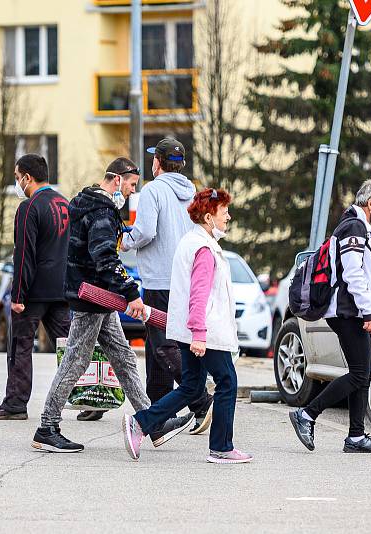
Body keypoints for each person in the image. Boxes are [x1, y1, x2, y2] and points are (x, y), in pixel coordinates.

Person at [31, 157, 193, 453]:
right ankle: (47, 427)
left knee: (124, 358)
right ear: (117, 179)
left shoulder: (87, 203)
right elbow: (105, 258)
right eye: (131, 185)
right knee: (76, 361)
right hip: (91, 298)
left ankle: (151, 422)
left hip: (98, 297)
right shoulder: (102, 212)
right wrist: (131, 293)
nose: (132, 191)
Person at [122, 188, 253, 464]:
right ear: (208, 216)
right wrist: (200, 334)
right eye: (223, 211)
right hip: (205, 332)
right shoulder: (204, 249)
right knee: (227, 381)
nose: (228, 216)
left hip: (189, 329)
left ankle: (140, 423)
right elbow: (199, 294)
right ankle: (221, 447)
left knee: (192, 387)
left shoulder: (191, 241)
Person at [289, 180, 371, 453]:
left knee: (362, 372)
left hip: (351, 310)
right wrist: (368, 311)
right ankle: (307, 414)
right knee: (360, 374)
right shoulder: (354, 228)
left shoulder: (360, 228)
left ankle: (356, 436)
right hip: (346, 311)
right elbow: (352, 273)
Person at [121, 137, 213, 435]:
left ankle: (202, 402)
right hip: (186, 277)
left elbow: (146, 231)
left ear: (157, 162)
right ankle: (158, 413)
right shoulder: (193, 192)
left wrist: (124, 241)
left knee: (163, 344)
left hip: (160, 278)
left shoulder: (153, 190)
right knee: (155, 345)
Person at [0, 154, 71, 420]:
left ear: (27, 177)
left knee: (21, 346)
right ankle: (87, 397)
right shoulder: (64, 203)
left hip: (33, 293)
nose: (17, 182)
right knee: (69, 347)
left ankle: (15, 404)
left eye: (17, 177)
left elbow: (23, 255)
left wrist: (18, 294)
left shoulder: (29, 208)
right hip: (62, 290)